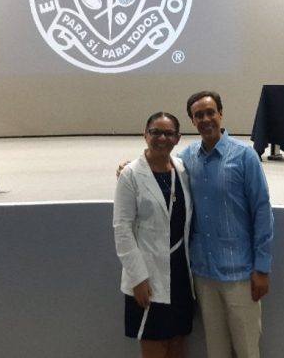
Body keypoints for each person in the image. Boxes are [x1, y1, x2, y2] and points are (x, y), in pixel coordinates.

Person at [179, 91, 273, 358]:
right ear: (192, 121)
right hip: (204, 274)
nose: (206, 119)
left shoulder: (245, 156)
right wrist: (129, 167)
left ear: (221, 114)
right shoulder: (186, 158)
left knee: (246, 349)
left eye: (211, 112)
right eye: (199, 115)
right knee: (215, 350)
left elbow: (262, 212)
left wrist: (262, 268)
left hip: (240, 274)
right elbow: (160, 168)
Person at [113, 111, 195, 358]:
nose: (162, 138)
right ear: (145, 135)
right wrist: (138, 278)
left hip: (180, 274)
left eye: (168, 133)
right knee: (154, 347)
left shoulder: (182, 170)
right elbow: (122, 228)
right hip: (147, 277)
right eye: (155, 132)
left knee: (177, 345)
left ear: (178, 138)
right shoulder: (130, 175)